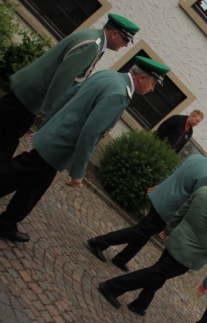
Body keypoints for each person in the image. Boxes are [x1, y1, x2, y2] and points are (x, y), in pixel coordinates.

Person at [0, 56, 165, 243]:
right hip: (62, 144)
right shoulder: (119, 94)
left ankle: (8, 222)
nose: (152, 89)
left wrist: (47, 125)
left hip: (57, 137)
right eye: (153, 84)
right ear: (142, 78)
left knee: (36, 183)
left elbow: (69, 95)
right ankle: (7, 221)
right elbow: (91, 133)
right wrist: (78, 171)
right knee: (18, 172)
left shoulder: (109, 75)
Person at [97, 174, 207, 315]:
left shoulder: (205, 191)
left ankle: (140, 304)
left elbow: (182, 210)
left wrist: (169, 229)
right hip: (188, 253)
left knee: (159, 273)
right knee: (154, 273)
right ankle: (111, 287)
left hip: (176, 239)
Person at [0, 13, 138, 163]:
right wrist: (49, 109)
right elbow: (64, 77)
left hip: (30, 91)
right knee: (6, 141)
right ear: (114, 34)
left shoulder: (93, 37)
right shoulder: (92, 45)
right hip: (33, 96)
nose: (126, 45)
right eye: (125, 40)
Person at [87, 149, 207, 272]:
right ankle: (100, 242)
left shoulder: (197, 158)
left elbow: (174, 171)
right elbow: (195, 203)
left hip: (161, 195)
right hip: (168, 208)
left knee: (144, 232)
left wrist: (159, 185)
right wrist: (177, 223)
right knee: (140, 231)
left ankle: (122, 258)